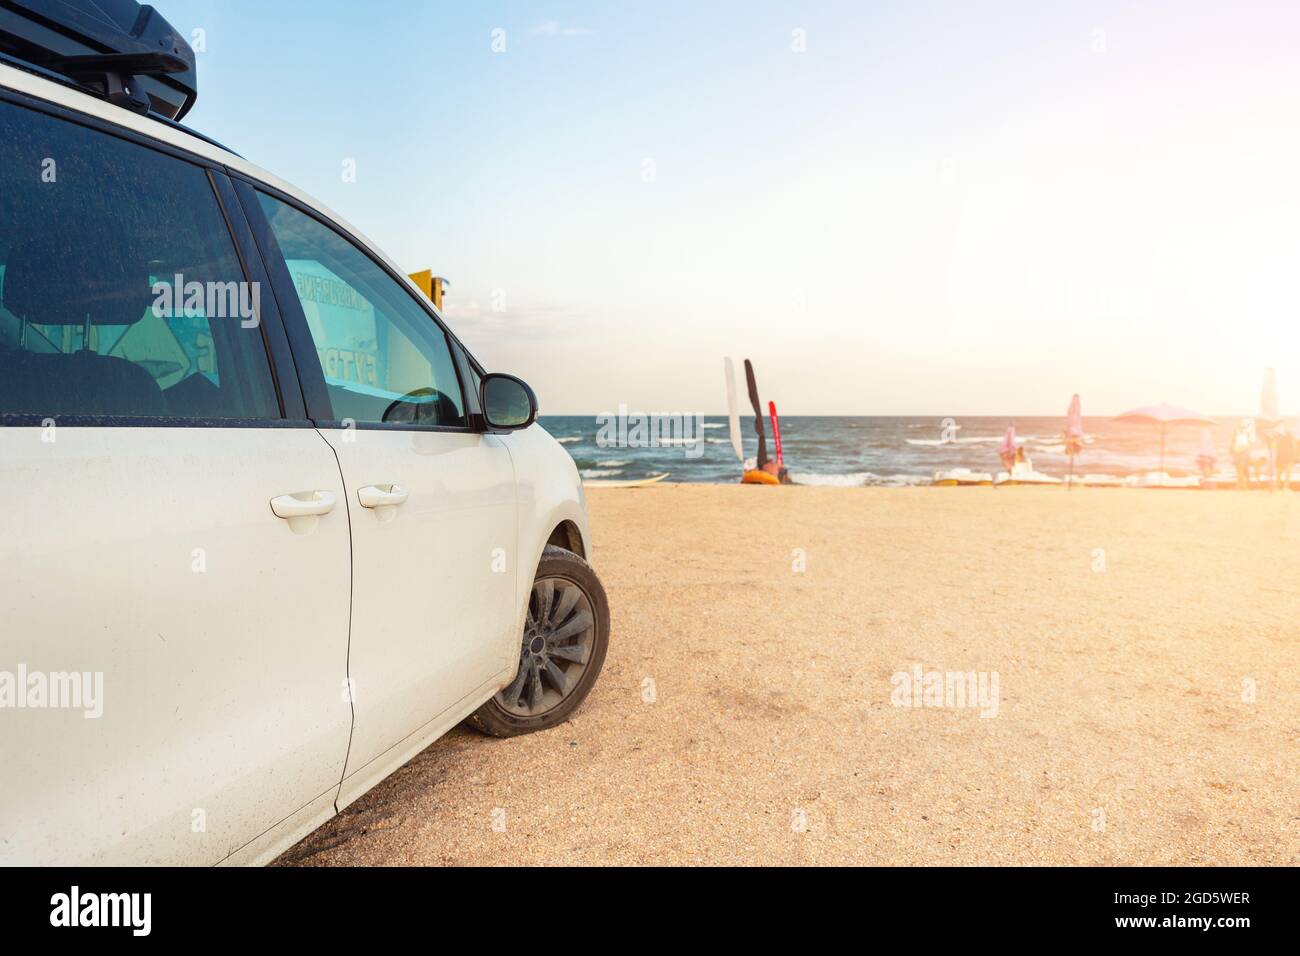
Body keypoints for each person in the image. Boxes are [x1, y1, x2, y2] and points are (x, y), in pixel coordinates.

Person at [1231, 419, 1254, 488]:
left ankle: (1243, 486)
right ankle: (1239, 485)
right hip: (1242, 453)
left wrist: (1236, 450)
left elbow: (1239, 444)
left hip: (1240, 453)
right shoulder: (1245, 434)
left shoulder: (1241, 435)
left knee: (1240, 470)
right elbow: (1248, 444)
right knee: (1240, 470)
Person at [1275, 423, 1296, 490]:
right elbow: (1294, 445)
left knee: (1279, 472)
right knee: (1288, 472)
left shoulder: (1279, 435)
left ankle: (1278, 487)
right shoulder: (1290, 435)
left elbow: (1276, 446)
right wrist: (1295, 455)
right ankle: (1285, 487)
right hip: (1288, 455)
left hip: (1280, 455)